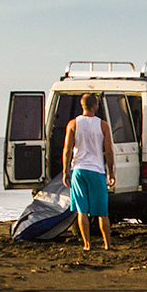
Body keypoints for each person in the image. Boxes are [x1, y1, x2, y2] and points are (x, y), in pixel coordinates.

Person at [62, 94, 115, 251]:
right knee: (102, 212)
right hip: (96, 170)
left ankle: (87, 244)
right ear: (95, 105)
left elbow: (67, 150)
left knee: (81, 210)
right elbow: (109, 151)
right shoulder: (103, 125)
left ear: (82, 105)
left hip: (78, 169)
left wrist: (65, 171)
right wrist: (110, 172)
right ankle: (107, 244)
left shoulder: (73, 124)